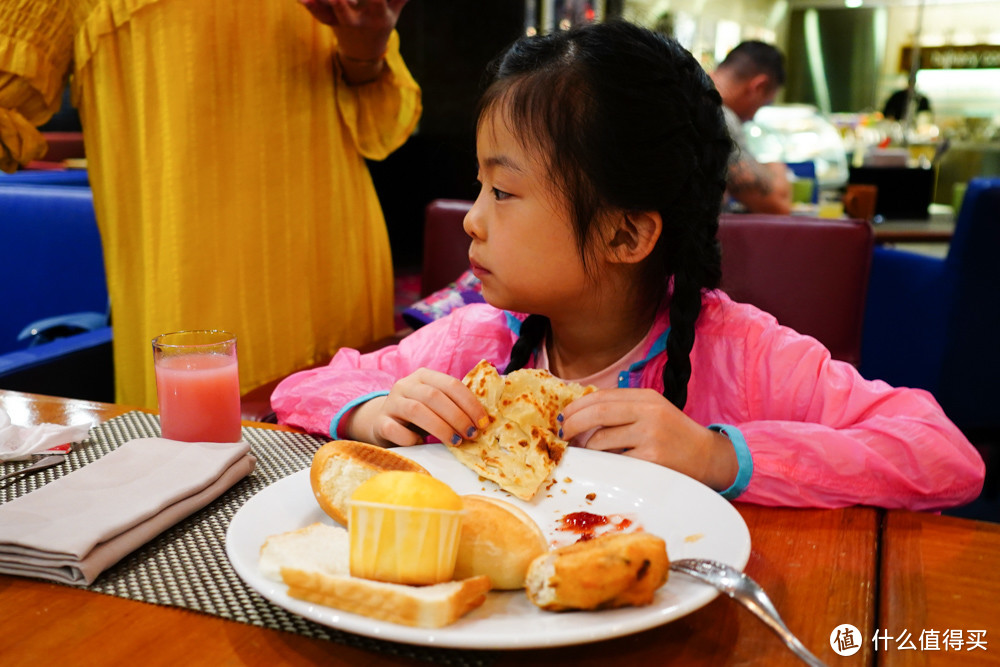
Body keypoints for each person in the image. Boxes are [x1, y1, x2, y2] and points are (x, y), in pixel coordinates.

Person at [272, 21, 984, 510]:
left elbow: (942, 454)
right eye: (479, 185)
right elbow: (304, 387)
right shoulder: (478, 340)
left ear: (625, 233)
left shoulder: (742, 354)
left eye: (504, 190)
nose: (472, 217)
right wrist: (369, 409)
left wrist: (717, 456)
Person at [0, 0, 421, 407]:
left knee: (359, 457)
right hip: (191, 293)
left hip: (335, 263)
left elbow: (382, 129)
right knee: (196, 464)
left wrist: (366, 47)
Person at [709, 41, 793, 215]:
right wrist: (776, 166)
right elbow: (777, 205)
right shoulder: (719, 115)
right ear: (758, 86)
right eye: (765, 103)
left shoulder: (686, 92)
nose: (754, 116)